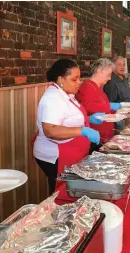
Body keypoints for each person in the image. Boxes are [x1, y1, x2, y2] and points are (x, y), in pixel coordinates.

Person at [32, 59, 104, 194]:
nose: (79, 83)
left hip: (70, 151)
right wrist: (83, 131)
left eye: (80, 78)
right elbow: (50, 130)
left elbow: (67, 119)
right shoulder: (53, 98)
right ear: (61, 79)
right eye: (74, 79)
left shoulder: (65, 94)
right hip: (56, 156)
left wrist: (89, 119)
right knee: (61, 191)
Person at [76, 58, 121, 150]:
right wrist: (110, 106)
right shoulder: (87, 86)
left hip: (104, 137)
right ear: (100, 71)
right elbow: (87, 107)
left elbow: (103, 107)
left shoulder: (98, 88)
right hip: (95, 137)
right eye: (108, 75)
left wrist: (118, 112)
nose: (109, 78)